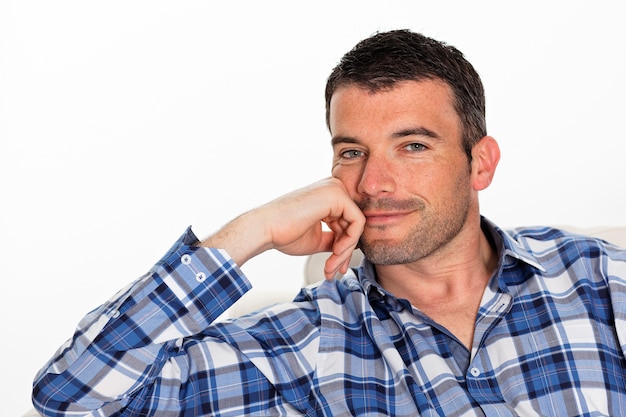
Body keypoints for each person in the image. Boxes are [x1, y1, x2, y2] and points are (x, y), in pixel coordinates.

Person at [32, 29, 626, 417]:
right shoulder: (301, 344)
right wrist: (249, 232)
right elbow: (72, 397)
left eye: (413, 146)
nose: (373, 184)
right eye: (350, 152)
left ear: (480, 162)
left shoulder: (598, 278)